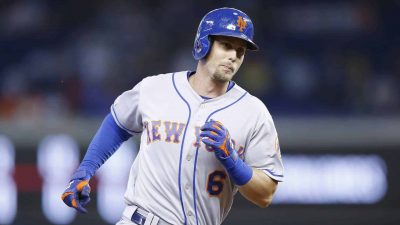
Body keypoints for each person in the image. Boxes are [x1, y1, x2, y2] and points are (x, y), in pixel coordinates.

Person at [61, 7, 284, 225]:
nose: (233, 56)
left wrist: (233, 161)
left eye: (240, 51)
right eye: (226, 45)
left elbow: (265, 194)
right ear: (203, 44)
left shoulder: (253, 112)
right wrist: (84, 171)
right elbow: (117, 123)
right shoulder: (155, 88)